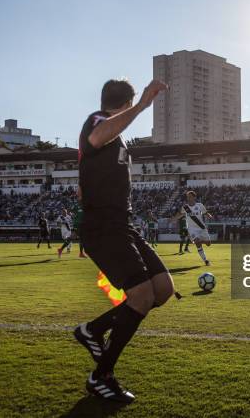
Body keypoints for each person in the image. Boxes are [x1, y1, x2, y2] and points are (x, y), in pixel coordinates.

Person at [74, 78, 174, 403]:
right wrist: (144, 105)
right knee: (141, 295)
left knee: (162, 289)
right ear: (127, 103)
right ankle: (100, 376)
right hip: (103, 227)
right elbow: (96, 137)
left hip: (122, 225)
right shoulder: (97, 121)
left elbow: (88, 177)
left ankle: (93, 329)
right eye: (133, 104)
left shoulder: (115, 137)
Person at [171, 191, 213, 266]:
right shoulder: (185, 207)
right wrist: (174, 219)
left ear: (194, 197)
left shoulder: (200, 205)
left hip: (201, 227)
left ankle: (199, 241)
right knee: (197, 243)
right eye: (187, 196)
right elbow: (180, 214)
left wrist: (209, 215)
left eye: (190, 196)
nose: (188, 198)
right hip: (192, 229)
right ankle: (206, 260)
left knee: (208, 243)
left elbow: (205, 213)